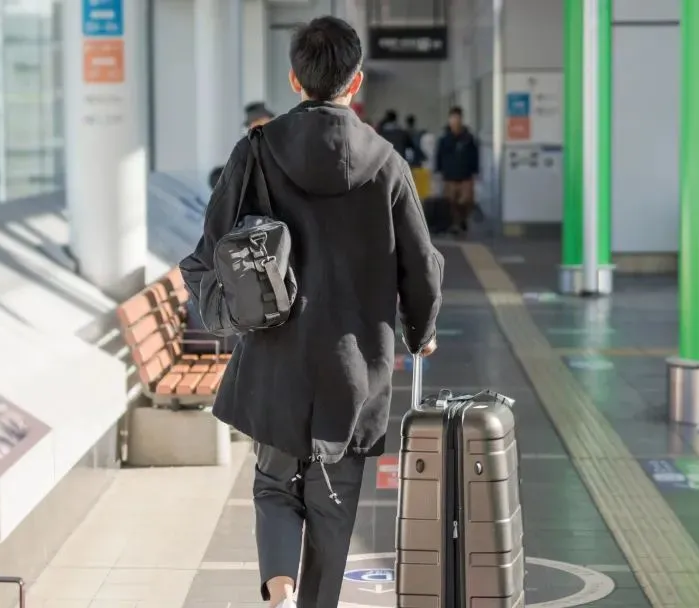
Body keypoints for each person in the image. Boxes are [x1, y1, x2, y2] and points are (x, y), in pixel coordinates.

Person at [179, 15, 443, 608]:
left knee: (275, 484)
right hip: (356, 366)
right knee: (334, 500)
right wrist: (421, 331)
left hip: (276, 357)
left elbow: (209, 250)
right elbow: (422, 266)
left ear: (295, 80)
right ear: (357, 81)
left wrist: (227, 306)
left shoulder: (256, 150)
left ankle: (279, 590)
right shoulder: (388, 163)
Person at [434, 106, 480, 235]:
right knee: (451, 202)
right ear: (449, 120)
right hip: (449, 176)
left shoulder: (468, 138)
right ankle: (456, 224)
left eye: (458, 118)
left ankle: (463, 219)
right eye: (453, 118)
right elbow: (439, 156)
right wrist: (438, 171)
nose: (455, 121)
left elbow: (474, 155)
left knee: (466, 201)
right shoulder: (444, 139)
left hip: (466, 176)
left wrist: (475, 171)